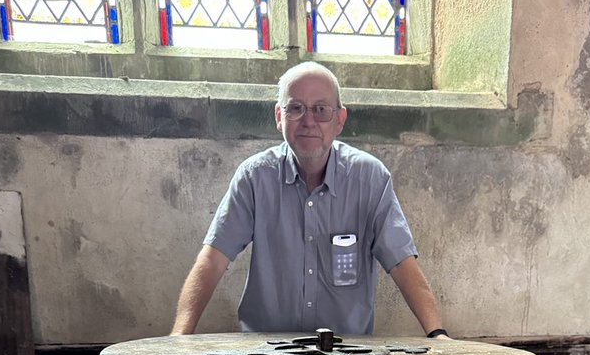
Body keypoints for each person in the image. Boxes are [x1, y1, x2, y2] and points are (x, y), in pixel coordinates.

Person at [170, 62, 449, 340]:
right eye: (296, 108)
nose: (308, 121)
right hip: (265, 354)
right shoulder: (255, 178)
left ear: (340, 120)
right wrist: (180, 336)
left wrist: (437, 334)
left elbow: (402, 263)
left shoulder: (370, 179)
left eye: (320, 109)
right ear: (279, 116)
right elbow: (213, 259)